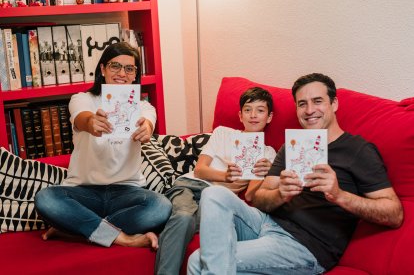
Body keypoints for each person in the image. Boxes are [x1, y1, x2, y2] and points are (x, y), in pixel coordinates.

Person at [187, 73, 403, 274]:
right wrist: (280, 193)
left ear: (334, 104)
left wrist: (339, 195)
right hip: (264, 222)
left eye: (317, 101)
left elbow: (394, 214)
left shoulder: (358, 150)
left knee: (198, 260)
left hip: (304, 245)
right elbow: (260, 199)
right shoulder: (291, 147)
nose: (309, 110)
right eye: (302, 104)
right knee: (213, 195)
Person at [35, 42, 172, 249]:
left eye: (129, 68)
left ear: (135, 75)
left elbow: (148, 121)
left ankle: (77, 227)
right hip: (83, 192)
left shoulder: (144, 106)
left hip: (127, 192)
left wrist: (146, 128)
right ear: (103, 69)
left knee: (161, 206)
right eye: (115, 66)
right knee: (45, 198)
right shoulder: (82, 99)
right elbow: (82, 118)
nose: (122, 73)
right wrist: (91, 123)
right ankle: (123, 238)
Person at [155, 87, 277, 275]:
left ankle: (156, 228)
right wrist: (225, 176)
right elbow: (200, 170)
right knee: (183, 216)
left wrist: (265, 174)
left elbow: (252, 196)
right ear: (240, 115)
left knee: (184, 220)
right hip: (189, 185)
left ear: (269, 117)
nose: (253, 115)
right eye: (247, 109)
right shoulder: (223, 133)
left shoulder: (267, 153)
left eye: (260, 110)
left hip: (216, 201)